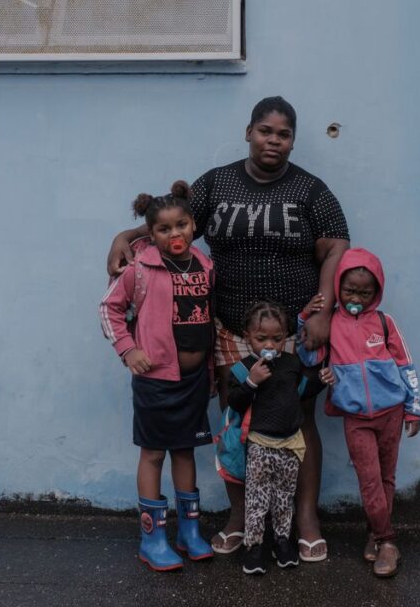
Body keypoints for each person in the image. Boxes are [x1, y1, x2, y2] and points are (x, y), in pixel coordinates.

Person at [106, 96, 349, 562]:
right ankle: (241, 516)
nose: (273, 140)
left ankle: (305, 519)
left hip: (293, 329)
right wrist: (124, 237)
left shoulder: (311, 191)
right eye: (265, 131)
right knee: (237, 424)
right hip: (228, 329)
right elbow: (170, 222)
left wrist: (323, 310)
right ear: (248, 132)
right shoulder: (216, 184)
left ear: (293, 141)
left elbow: (336, 246)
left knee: (299, 420)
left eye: (283, 134)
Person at [99, 181, 216, 572]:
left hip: (195, 379)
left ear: (193, 225)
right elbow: (108, 309)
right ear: (151, 234)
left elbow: (208, 319)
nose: (174, 234)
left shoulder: (204, 264)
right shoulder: (140, 269)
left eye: (181, 225)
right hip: (156, 381)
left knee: (185, 450)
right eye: (164, 229)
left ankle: (189, 533)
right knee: (153, 453)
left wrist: (211, 369)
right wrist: (129, 350)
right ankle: (152, 540)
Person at [297, 247, 420, 578]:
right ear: (339, 287)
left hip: (392, 413)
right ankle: (388, 541)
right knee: (369, 480)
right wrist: (304, 320)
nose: (357, 297)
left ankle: (374, 535)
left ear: (376, 292)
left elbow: (405, 364)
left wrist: (413, 409)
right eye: (350, 290)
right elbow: (310, 358)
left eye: (366, 292)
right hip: (356, 418)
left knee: (386, 478)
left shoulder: (384, 322)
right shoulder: (331, 323)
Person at [227, 301, 324, 575]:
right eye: (261, 338)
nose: (269, 344)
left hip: (290, 443)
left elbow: (302, 391)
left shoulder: (291, 363)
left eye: (277, 338)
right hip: (259, 443)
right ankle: (254, 547)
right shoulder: (243, 368)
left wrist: (322, 380)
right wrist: (251, 381)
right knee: (257, 498)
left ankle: (282, 541)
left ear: (285, 338)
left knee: (284, 496)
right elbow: (234, 402)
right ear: (248, 338)